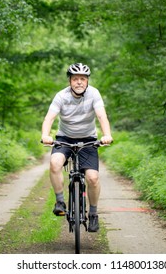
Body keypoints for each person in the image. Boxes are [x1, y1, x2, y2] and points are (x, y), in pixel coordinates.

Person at [41, 63, 113, 232]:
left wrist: (107, 134)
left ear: (87, 81)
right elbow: (49, 118)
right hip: (64, 138)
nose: (79, 82)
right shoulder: (61, 96)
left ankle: (93, 214)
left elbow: (102, 116)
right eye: (75, 79)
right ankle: (60, 201)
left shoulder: (94, 94)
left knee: (93, 178)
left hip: (88, 139)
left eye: (83, 79)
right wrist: (45, 135)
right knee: (55, 163)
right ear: (70, 81)